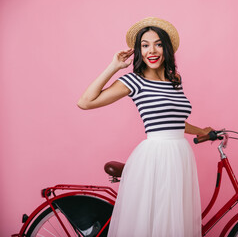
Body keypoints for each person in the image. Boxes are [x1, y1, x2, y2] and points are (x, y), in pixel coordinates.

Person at [77, 17, 211, 237]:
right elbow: (85, 102)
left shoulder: (174, 80)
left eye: (158, 44)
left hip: (180, 155)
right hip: (157, 157)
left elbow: (174, 121)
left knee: (173, 220)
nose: (152, 50)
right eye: (145, 45)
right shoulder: (134, 81)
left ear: (166, 48)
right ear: (139, 51)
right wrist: (113, 67)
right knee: (155, 221)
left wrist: (202, 131)